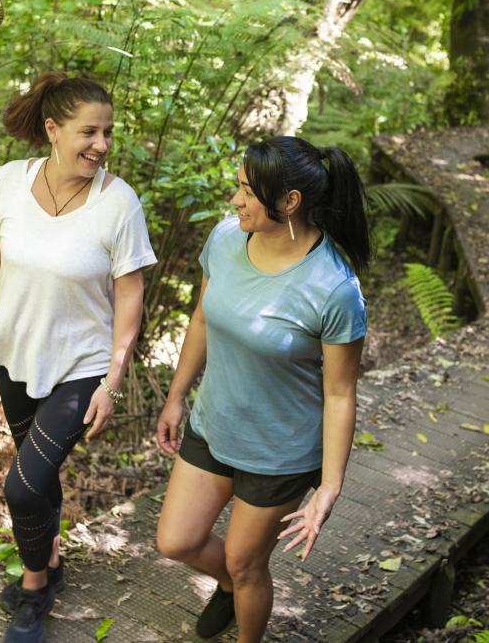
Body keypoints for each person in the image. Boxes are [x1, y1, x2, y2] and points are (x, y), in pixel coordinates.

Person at [0, 73, 155, 643]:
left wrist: (114, 377)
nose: (101, 145)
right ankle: (50, 559)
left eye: (107, 133)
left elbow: (131, 293)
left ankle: (33, 590)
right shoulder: (10, 181)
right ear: (52, 131)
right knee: (40, 474)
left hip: (84, 366)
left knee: (22, 487)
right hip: (18, 354)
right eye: (89, 132)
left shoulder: (118, 202)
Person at [154, 136, 370, 642]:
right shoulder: (226, 240)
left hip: (280, 452)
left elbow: (340, 394)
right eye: (238, 188)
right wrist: (176, 395)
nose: (236, 201)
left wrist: (329, 487)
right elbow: (203, 319)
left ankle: (244, 610)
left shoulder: (335, 288)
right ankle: (229, 586)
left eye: (248, 192)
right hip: (215, 425)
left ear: (289, 202)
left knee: (247, 561)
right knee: (175, 541)